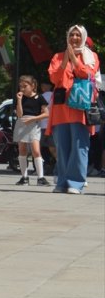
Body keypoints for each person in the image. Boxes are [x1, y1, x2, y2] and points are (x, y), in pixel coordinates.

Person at [47, 24, 100, 194]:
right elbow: (54, 78)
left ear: (83, 37)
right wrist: (65, 60)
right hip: (61, 108)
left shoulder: (91, 56)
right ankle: (62, 182)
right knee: (62, 148)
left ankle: (76, 182)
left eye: (78, 35)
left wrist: (75, 59)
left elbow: (88, 75)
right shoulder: (57, 57)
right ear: (67, 37)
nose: (75, 38)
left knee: (79, 146)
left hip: (80, 107)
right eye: (72, 35)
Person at [13, 75, 50, 186]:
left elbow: (46, 113)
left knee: (36, 150)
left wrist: (34, 118)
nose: (22, 89)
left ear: (33, 86)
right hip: (22, 123)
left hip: (34, 125)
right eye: (20, 86)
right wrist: (19, 101)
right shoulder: (20, 98)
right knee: (22, 150)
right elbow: (19, 114)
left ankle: (41, 177)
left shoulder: (39, 98)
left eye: (25, 86)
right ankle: (24, 177)